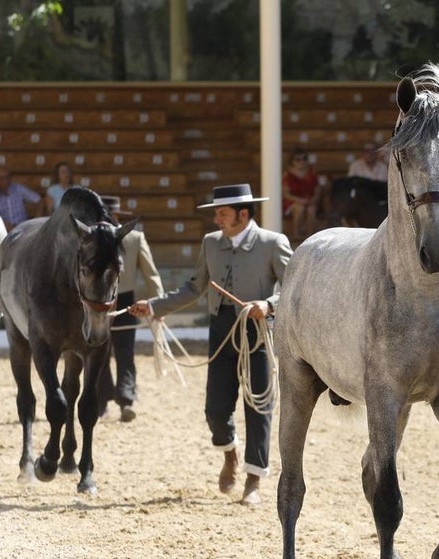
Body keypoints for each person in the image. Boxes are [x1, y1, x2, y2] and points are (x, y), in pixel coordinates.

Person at [128, 184, 292, 506]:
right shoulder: (211, 243)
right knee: (216, 409)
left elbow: (294, 287)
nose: (216, 219)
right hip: (220, 331)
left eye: (222, 214)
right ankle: (230, 453)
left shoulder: (273, 243)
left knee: (259, 405)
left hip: (257, 331)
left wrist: (269, 304)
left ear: (242, 214)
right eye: (216, 214)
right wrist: (155, 306)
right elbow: (194, 288)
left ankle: (253, 479)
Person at [96, 195, 165, 422]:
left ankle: (125, 399)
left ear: (116, 215)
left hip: (124, 301)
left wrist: (158, 306)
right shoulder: (93, 237)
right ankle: (104, 401)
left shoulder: (135, 238)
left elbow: (150, 273)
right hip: (98, 301)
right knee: (101, 352)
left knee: (123, 351)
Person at [283, 149, 321, 241]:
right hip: (292, 201)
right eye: (298, 159)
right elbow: (286, 194)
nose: (301, 162)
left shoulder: (312, 172)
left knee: (311, 210)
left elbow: (317, 190)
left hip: (309, 200)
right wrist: (299, 200)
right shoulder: (287, 174)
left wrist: (313, 199)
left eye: (304, 159)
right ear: (292, 161)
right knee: (299, 209)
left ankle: (310, 237)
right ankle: (297, 236)